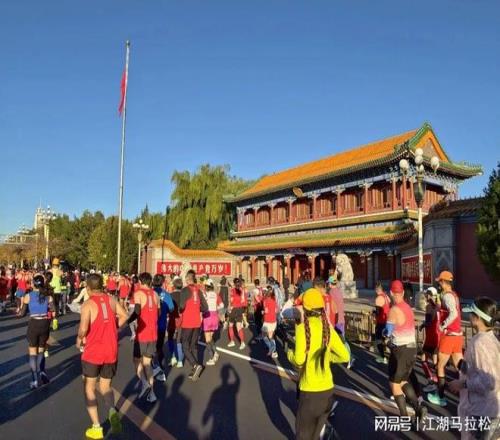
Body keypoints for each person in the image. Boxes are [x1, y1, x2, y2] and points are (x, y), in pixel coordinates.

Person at [287, 288, 350, 440]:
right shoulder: (328, 328)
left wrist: (289, 353)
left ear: (305, 308)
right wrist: (328, 358)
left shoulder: (302, 328)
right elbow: (344, 355)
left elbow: (299, 360)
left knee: (303, 435)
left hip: (310, 391)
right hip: (327, 390)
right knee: (315, 435)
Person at [77, 273, 128, 440]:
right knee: (106, 386)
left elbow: (83, 329)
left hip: (93, 351)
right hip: (111, 350)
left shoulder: (88, 304)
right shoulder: (111, 300)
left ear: (88, 288)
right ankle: (112, 411)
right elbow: (125, 316)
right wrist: (114, 327)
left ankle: (96, 427)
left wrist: (79, 339)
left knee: (89, 388)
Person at [450, 297, 500, 440]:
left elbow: (488, 382)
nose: (469, 316)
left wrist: (462, 384)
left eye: (471, 314)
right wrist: (463, 366)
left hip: (481, 411)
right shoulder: (492, 339)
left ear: (477, 318)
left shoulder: (480, 342)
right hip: (492, 409)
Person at [383, 280, 427, 422]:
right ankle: (418, 407)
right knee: (403, 381)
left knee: (394, 384)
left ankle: (405, 416)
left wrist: (384, 334)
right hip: (412, 349)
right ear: (402, 292)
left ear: (391, 293)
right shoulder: (408, 307)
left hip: (400, 350)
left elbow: (388, 331)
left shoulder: (394, 310)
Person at [427, 271, 464, 407]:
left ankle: (441, 397)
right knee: (460, 368)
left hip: (449, 336)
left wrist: (443, 325)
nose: (439, 284)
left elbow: (453, 313)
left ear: (444, 282)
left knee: (440, 366)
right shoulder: (454, 295)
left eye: (440, 282)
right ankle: (467, 394)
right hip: (457, 335)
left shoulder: (447, 296)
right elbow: (451, 311)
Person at [127, 272, 159, 402]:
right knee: (148, 364)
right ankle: (152, 393)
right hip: (153, 333)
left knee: (136, 361)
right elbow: (158, 312)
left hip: (142, 334)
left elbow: (137, 311)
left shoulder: (138, 293)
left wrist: (128, 321)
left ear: (140, 281)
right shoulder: (155, 295)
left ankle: (144, 383)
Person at [18, 274, 54, 389]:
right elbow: (54, 312)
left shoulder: (28, 296)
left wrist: (18, 313)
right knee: (41, 351)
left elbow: (22, 313)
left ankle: (34, 381)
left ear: (33, 284)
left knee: (33, 353)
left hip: (33, 324)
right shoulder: (48, 297)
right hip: (44, 324)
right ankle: (42, 372)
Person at [179, 270, 207, 380]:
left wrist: (181, 310)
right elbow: (205, 307)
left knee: (185, 346)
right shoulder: (198, 290)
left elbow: (181, 306)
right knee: (194, 346)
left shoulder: (185, 290)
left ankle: (195, 365)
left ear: (187, 279)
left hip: (188, 322)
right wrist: (197, 308)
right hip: (197, 322)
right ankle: (195, 371)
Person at [419, 287, 442, 392]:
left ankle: (431, 381)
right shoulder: (438, 306)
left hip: (430, 337)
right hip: (437, 336)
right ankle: (438, 384)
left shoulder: (429, 306)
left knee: (423, 359)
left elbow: (428, 322)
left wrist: (422, 325)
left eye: (426, 294)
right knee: (436, 362)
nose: (425, 296)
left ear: (429, 295)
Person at [152, 274, 173, 381]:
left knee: (149, 349)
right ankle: (160, 368)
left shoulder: (150, 293)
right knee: (159, 348)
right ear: (162, 282)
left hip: (149, 326)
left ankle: (150, 369)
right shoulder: (166, 294)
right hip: (161, 324)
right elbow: (171, 308)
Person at [202, 279, 223, 366]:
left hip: (207, 316)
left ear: (206, 287)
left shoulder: (205, 294)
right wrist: (216, 308)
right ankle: (215, 354)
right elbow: (222, 305)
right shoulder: (216, 294)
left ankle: (212, 357)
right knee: (210, 338)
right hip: (214, 316)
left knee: (207, 339)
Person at [373, 281, 391, 364]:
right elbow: (389, 306)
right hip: (388, 321)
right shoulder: (386, 296)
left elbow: (378, 312)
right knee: (386, 339)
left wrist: (373, 313)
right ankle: (394, 353)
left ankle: (382, 357)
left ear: (376, 289)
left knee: (378, 340)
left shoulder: (378, 298)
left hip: (381, 322)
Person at [168, 276, 184, 368]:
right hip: (182, 319)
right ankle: (180, 361)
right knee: (179, 340)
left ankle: (173, 357)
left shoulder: (170, 295)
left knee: (171, 338)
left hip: (172, 319)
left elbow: (168, 308)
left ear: (174, 286)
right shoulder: (184, 295)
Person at [227, 278, 247, 350]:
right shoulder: (242, 290)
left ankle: (232, 341)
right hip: (240, 309)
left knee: (230, 325)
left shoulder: (233, 290)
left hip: (234, 309)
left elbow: (231, 300)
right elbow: (244, 300)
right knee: (239, 326)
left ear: (234, 283)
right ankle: (242, 342)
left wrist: (229, 308)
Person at [262, 287, 278, 359]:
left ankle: (272, 349)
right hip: (273, 320)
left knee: (264, 335)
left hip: (267, 320)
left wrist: (262, 312)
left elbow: (266, 311)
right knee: (271, 336)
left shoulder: (265, 300)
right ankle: (273, 350)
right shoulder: (274, 300)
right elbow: (276, 310)